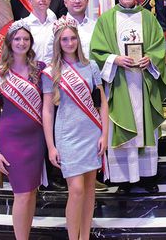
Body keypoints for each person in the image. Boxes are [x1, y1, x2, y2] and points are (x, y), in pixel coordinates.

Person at [90, 0, 166, 194]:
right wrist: (114, 59)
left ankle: (147, 176)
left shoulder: (148, 18)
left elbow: (158, 47)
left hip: (144, 83)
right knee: (122, 126)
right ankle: (124, 179)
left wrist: (150, 59)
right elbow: (96, 52)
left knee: (145, 128)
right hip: (119, 83)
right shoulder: (106, 20)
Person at [42, 18, 109, 239]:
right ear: (58, 42)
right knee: (77, 190)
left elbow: (102, 103)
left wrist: (105, 134)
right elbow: (47, 111)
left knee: (89, 190)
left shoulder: (91, 66)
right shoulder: (51, 71)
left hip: (92, 133)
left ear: (78, 40)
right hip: (67, 136)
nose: (69, 43)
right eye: (64, 39)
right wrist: (51, 146)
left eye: (73, 38)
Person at [0, 21, 46, 240]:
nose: (22, 43)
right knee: (21, 194)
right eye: (17, 39)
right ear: (10, 43)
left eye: (26, 39)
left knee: (31, 193)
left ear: (31, 42)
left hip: (36, 140)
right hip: (12, 142)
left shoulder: (40, 69)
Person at [22, 0, 57, 64]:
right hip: (29, 70)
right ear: (30, 1)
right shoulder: (22, 26)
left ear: (50, 0)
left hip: (54, 70)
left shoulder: (57, 25)